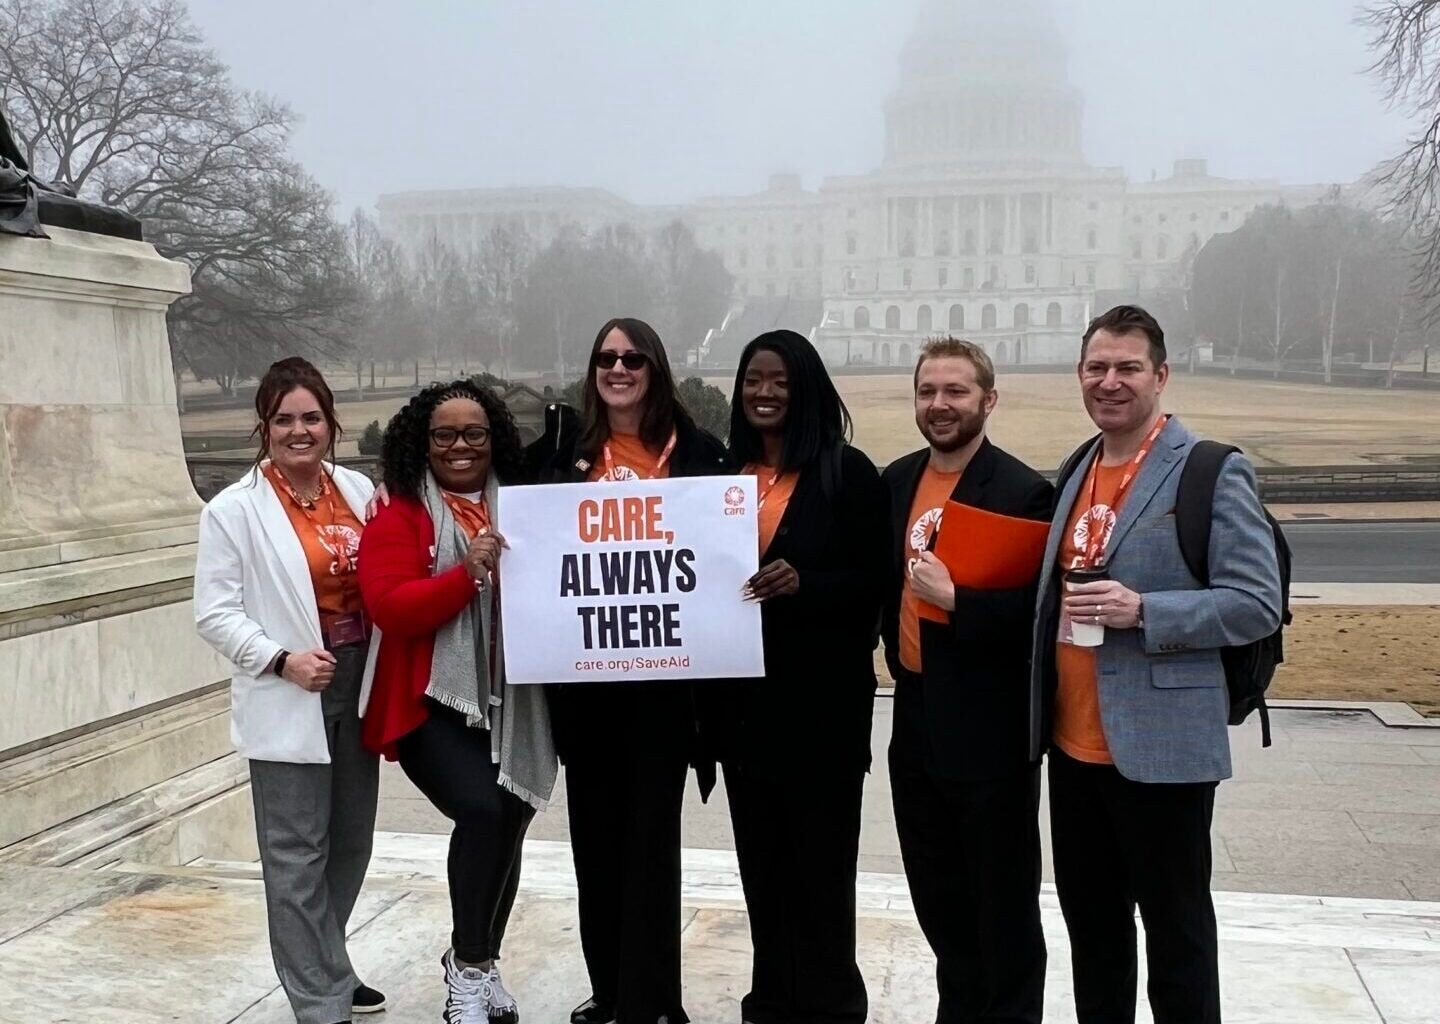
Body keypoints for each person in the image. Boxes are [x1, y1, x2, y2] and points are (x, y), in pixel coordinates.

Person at [1029, 305, 1282, 1024]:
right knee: (1096, 936)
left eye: (1127, 368)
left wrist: (1146, 611)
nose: (1110, 382)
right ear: (1080, 375)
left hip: (1163, 748)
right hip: (1074, 749)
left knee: (1177, 939)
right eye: (1097, 368)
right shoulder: (1079, 465)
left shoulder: (1209, 469)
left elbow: (1256, 602)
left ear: (1161, 376)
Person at [530, 317, 726, 1024]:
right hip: (585, 687)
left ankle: (654, 1000)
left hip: (667, 689)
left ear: (655, 367)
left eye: (632, 358)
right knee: (596, 846)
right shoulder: (560, 453)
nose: (618, 368)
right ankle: (610, 989)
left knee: (651, 844)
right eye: (605, 357)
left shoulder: (700, 455)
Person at [358, 380, 557, 1024]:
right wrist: (465, 571)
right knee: (483, 812)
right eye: (444, 434)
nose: (461, 446)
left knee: (512, 819)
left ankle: (482, 960)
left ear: (495, 437)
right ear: (423, 441)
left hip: (515, 702)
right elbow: (390, 607)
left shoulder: (526, 507)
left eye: (475, 432)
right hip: (429, 703)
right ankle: (466, 970)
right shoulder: (401, 513)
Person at [194, 357, 385, 1024]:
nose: (299, 431)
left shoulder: (360, 492)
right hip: (293, 684)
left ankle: (324, 959)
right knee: (296, 851)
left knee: (352, 839)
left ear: (330, 423)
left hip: (360, 678)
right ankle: (319, 997)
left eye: (311, 417)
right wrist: (280, 661)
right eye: (284, 419)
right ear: (264, 427)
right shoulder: (234, 511)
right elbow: (214, 613)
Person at [707, 330, 886, 1024]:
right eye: (753, 379)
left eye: (779, 380)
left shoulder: (848, 473)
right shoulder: (723, 479)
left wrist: (806, 583)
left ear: (805, 385)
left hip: (823, 715)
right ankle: (771, 1001)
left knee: (821, 874)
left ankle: (834, 1004)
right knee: (763, 872)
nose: (764, 392)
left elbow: (875, 583)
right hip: (745, 714)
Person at [880, 337, 1053, 1024]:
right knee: (940, 903)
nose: (940, 404)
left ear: (988, 399)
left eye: (955, 391)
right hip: (914, 717)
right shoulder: (895, 481)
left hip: (988, 728)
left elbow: (1042, 619)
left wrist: (959, 602)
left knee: (1003, 910)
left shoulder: (1021, 491)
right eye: (928, 391)